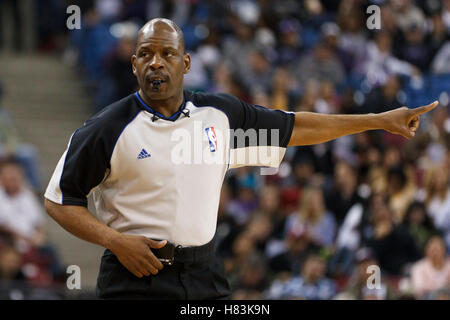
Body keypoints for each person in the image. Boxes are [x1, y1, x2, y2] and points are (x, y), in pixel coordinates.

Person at [43, 18, 439, 300]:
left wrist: (377, 121)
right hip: (133, 278)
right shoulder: (106, 128)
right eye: (145, 54)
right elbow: (59, 200)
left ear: (186, 63)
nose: (156, 62)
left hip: (205, 274)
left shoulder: (220, 116)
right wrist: (115, 242)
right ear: (134, 65)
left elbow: (294, 127)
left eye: (167, 53)